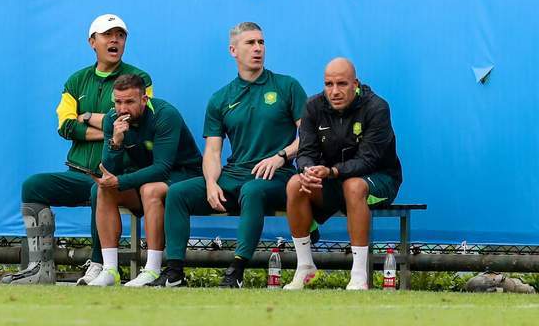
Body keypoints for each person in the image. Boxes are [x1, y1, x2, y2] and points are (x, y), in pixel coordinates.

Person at [149, 22, 307, 288]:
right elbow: (213, 151)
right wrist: (211, 183)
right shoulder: (220, 98)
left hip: (277, 177)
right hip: (233, 176)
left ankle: (236, 271)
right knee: (177, 193)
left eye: (261, 42)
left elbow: (308, 138)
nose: (258, 48)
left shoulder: (287, 86)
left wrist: (281, 155)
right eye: (250, 43)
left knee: (252, 190)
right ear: (233, 50)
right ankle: (174, 272)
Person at [3, 14, 153, 284]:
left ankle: (99, 264)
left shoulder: (139, 79)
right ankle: (40, 268)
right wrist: (110, 129)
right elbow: (65, 126)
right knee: (33, 186)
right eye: (108, 35)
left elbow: (135, 123)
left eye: (120, 35)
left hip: (120, 177)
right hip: (78, 173)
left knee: (101, 189)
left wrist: (87, 117)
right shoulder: (76, 81)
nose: (115, 40)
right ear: (92, 42)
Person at [283, 57, 402, 290]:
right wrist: (308, 170)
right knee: (295, 184)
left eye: (342, 84)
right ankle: (305, 266)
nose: (334, 91)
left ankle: (358, 275)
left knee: (353, 186)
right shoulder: (313, 106)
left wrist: (332, 171)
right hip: (331, 179)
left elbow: (369, 160)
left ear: (355, 84)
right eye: (329, 84)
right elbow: (305, 152)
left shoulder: (377, 108)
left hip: (379, 178)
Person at [87, 74, 202, 287]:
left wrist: (120, 181)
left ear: (144, 99)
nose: (123, 109)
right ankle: (110, 270)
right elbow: (110, 170)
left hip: (183, 174)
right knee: (102, 189)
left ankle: (152, 269)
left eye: (129, 102)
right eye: (118, 102)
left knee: (150, 189)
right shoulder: (112, 119)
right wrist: (116, 142)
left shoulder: (165, 115)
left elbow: (162, 168)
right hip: (144, 179)